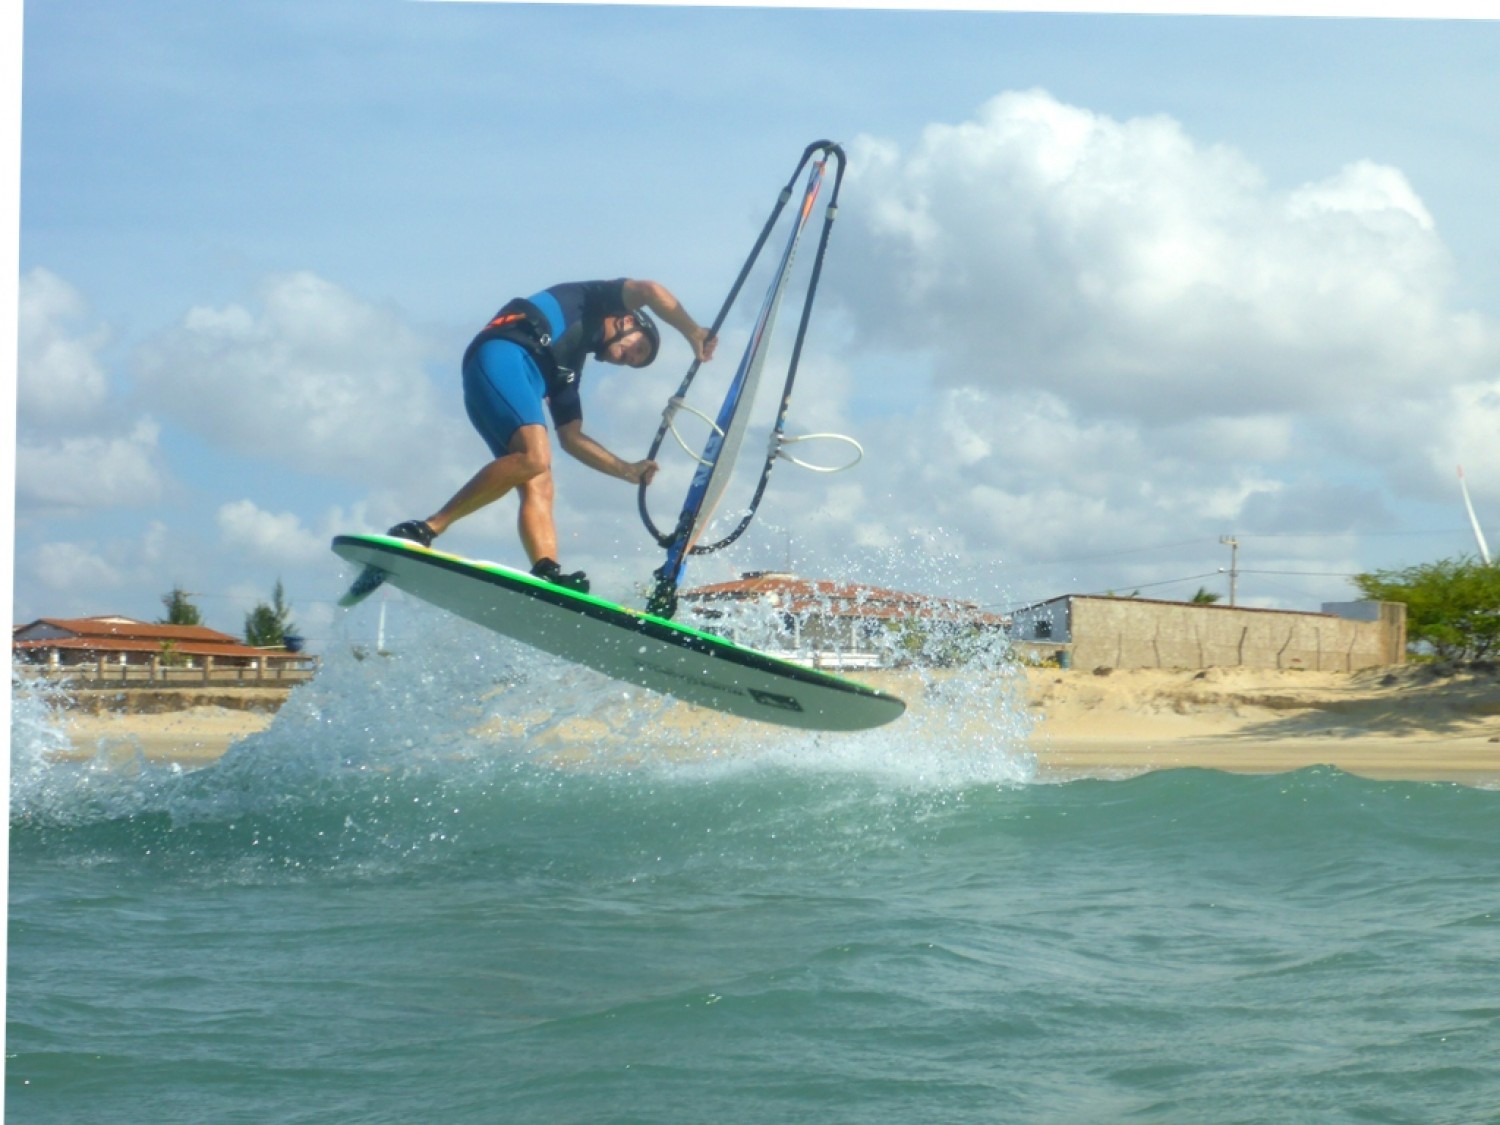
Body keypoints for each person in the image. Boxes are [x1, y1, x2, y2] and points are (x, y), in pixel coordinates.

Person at [384, 278, 717, 593]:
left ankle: (546, 572)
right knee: (535, 456)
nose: (630, 359)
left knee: (539, 476)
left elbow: (572, 439)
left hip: (509, 380)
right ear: (627, 321)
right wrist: (693, 331)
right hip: (502, 355)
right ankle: (426, 529)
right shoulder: (594, 300)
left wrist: (627, 470)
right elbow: (650, 290)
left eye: (635, 363)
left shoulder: (568, 372)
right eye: (639, 349)